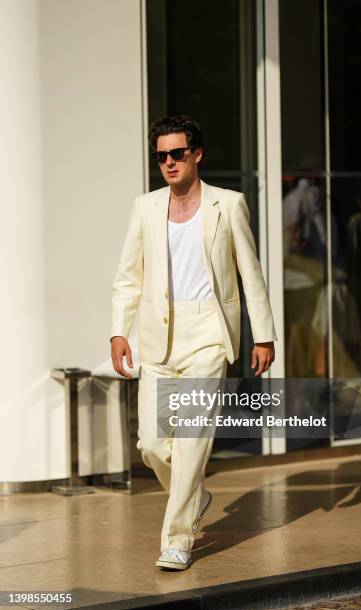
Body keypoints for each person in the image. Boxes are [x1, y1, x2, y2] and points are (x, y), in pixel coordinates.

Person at [110, 115, 277, 570]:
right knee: (150, 444)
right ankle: (196, 496)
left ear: (196, 154)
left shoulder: (228, 204)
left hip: (207, 332)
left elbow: (250, 273)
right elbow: (129, 277)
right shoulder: (145, 207)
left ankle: (178, 538)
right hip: (158, 337)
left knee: (191, 439)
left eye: (177, 153)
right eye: (161, 155)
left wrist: (263, 335)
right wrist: (118, 330)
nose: (168, 162)